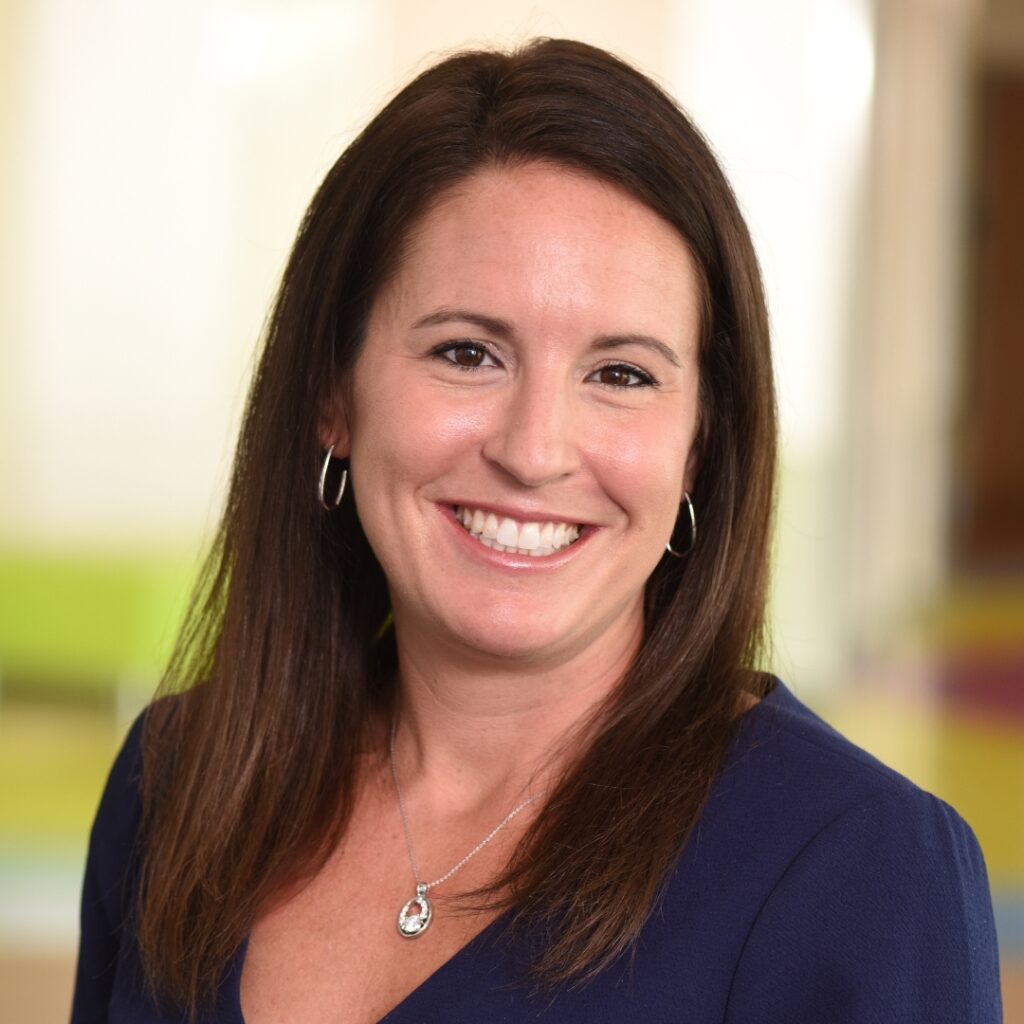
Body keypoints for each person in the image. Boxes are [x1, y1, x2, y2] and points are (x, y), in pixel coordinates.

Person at [71, 38, 1003, 1023]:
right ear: (332, 394)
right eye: (467, 352)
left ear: (699, 446)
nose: (534, 451)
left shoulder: (863, 872)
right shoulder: (176, 783)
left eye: (621, 374)